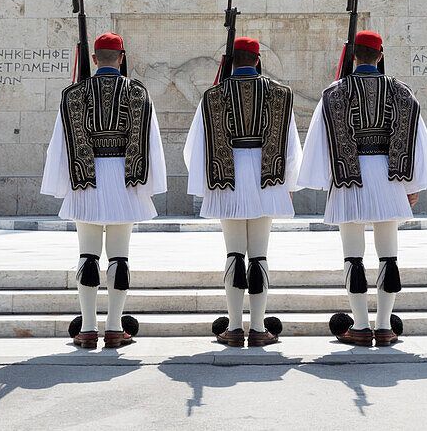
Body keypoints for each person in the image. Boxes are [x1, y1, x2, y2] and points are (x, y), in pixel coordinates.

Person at [297, 30, 427, 347]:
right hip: (390, 178)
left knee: (353, 257)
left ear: (352, 56)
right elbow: (415, 139)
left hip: (349, 178)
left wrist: (325, 180)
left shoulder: (333, 94)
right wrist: (411, 184)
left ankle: (361, 326)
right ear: (380, 55)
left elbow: (320, 143)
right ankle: (385, 325)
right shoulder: (401, 93)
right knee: (388, 255)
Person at [40, 33, 167, 349]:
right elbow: (151, 144)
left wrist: (61, 184)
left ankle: (86, 329)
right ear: (121, 58)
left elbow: (59, 146)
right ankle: (113, 328)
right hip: (125, 181)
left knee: (87, 255)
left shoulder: (73, 95)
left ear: (94, 59)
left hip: (87, 182)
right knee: (119, 257)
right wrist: (148, 185)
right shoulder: (138, 93)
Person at [183, 36, 302, 348]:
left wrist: (205, 184)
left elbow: (195, 146)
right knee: (259, 255)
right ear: (258, 59)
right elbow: (290, 144)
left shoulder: (212, 96)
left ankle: (234, 328)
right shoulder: (280, 94)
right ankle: (259, 327)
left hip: (228, 180)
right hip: (268, 178)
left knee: (234, 253)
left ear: (230, 61)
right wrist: (288, 183)